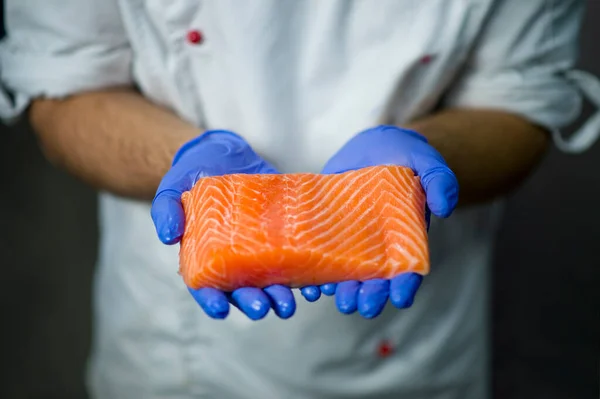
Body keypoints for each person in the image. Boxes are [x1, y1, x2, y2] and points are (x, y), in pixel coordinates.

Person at [1, 1, 599, 398]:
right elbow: (65, 89)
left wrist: (427, 151)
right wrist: (180, 162)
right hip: (173, 352)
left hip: (414, 351)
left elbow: (523, 98)